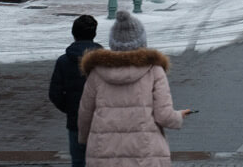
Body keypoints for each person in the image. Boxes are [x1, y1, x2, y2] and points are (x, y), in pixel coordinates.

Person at [78, 10, 192, 166]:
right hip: (144, 154)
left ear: (113, 43)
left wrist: (85, 139)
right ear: (142, 43)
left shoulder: (96, 73)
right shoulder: (154, 70)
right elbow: (164, 116)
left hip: (104, 153)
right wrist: (179, 116)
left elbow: (85, 115)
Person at [48, 14, 104, 167]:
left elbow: (55, 94)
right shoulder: (105, 61)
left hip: (76, 120)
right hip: (102, 120)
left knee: (78, 161)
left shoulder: (64, 61)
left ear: (74, 34)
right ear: (94, 34)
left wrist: (71, 108)